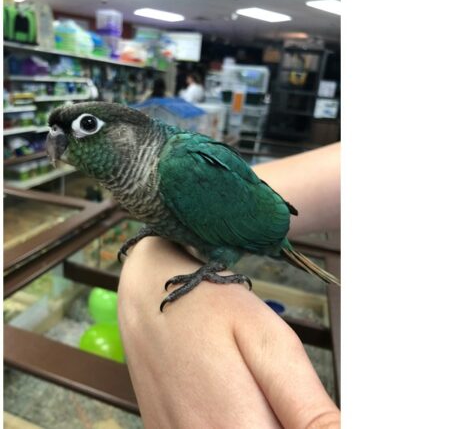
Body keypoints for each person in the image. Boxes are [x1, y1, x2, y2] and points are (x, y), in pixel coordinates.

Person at [117, 142, 341, 429]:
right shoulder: (165, 173)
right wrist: (148, 257)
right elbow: (221, 194)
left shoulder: (176, 166)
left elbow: (241, 207)